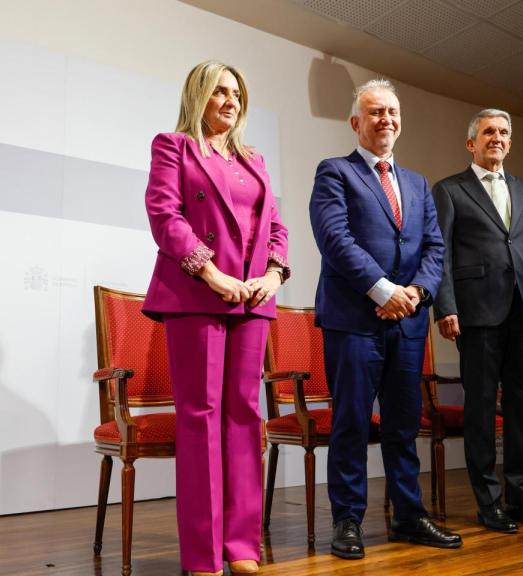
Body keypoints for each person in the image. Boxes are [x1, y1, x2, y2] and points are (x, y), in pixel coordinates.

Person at [142, 61, 289, 576]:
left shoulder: (254, 158)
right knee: (200, 417)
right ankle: (203, 555)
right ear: (198, 96)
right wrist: (211, 273)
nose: (231, 101)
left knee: (245, 415)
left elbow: (275, 225)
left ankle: (242, 546)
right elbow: (165, 216)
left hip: (252, 298)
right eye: (221, 91)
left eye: (237, 94)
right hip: (198, 293)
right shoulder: (173, 145)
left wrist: (274, 274)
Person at [310, 79, 460, 560]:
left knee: (401, 425)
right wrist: (383, 290)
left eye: (392, 111)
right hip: (354, 320)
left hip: (407, 323)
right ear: (356, 123)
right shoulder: (334, 172)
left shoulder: (417, 184)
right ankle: (348, 521)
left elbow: (435, 248)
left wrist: (416, 293)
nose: (386, 120)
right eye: (375, 112)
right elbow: (335, 239)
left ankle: (410, 517)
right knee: (352, 422)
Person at [432, 109, 523, 533]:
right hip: (477, 312)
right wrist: (446, 306)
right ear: (471, 143)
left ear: (510, 143)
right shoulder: (450, 190)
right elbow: (442, 253)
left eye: (504, 133)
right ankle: (489, 502)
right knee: (480, 410)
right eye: (489, 132)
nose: (497, 138)